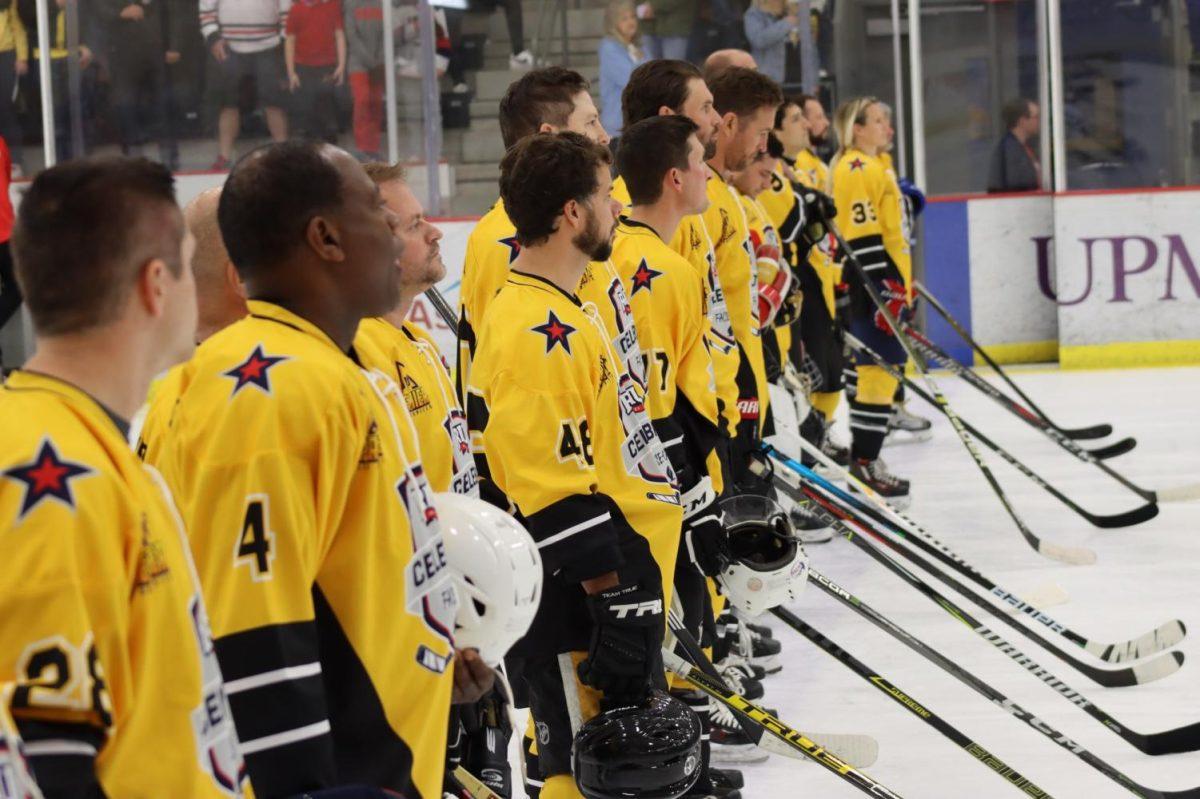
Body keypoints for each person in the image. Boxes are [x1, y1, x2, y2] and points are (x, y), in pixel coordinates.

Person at [143, 141, 482, 797]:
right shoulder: (267, 390)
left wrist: (438, 662)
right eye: (373, 214)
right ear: (325, 237)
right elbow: (253, 628)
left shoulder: (330, 367)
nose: (393, 235)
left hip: (385, 761)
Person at [0, 157, 247, 797]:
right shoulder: (52, 476)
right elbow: (48, 755)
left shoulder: (90, 446)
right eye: (190, 265)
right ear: (155, 285)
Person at [467, 130, 685, 799]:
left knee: (615, 765)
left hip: (600, 574)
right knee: (576, 763)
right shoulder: (536, 331)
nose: (617, 205)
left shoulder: (565, 307)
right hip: (569, 597)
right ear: (571, 213)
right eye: (604, 193)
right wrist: (614, 597)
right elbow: (548, 491)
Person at [455, 66, 608, 402]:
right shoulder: (507, 238)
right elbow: (506, 384)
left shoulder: (579, 219)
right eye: (590, 122)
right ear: (549, 135)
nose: (604, 135)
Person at [702, 66, 782, 493]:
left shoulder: (727, 195)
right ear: (729, 123)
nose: (765, 146)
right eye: (761, 132)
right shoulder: (701, 202)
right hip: (724, 400)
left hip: (744, 388)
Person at [830, 96, 912, 499]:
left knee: (883, 374)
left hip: (886, 285)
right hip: (873, 288)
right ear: (856, 128)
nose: (887, 127)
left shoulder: (879, 165)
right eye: (878, 120)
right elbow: (861, 240)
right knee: (875, 376)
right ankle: (865, 464)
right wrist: (883, 291)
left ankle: (867, 461)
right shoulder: (855, 168)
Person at [761, 94, 849, 467]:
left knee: (828, 372)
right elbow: (785, 229)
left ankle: (817, 438)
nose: (806, 125)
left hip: (808, 280)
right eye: (796, 118)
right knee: (805, 378)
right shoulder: (767, 173)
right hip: (787, 286)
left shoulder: (798, 169)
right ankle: (806, 448)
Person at [200, 0, 290, 169]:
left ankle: (284, 153)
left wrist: (284, 41)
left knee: (274, 103)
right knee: (228, 104)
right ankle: (224, 156)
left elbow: (287, 9)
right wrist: (213, 37)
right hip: (228, 47)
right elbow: (206, 9)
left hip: (270, 46)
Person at [99, 0, 185, 169]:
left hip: (158, 52)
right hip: (122, 52)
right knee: (126, 108)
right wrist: (118, 13)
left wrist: (175, 45)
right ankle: (132, 161)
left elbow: (175, 13)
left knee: (163, 107)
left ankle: (170, 159)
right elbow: (95, 9)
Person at [285, 0, 346, 143]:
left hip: (328, 65)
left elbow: (339, 35)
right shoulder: (296, 9)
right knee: (307, 108)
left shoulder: (332, 6)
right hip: (303, 66)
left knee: (326, 106)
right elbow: (290, 40)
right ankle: (310, 148)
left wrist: (341, 65)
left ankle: (329, 146)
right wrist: (291, 72)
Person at [598, 0, 644, 136]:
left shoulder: (640, 45)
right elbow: (630, 79)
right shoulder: (609, 47)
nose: (631, 22)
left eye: (633, 17)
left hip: (639, 121)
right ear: (613, 23)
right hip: (618, 124)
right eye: (624, 19)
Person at [987, 97, 1041, 193]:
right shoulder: (1009, 149)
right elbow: (1016, 184)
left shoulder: (1025, 147)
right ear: (1022, 121)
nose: (1040, 121)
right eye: (1037, 117)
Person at [742, 0, 799, 84]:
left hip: (794, 73)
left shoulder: (789, 12)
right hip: (767, 76)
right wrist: (786, 24)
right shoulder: (754, 14)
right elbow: (759, 40)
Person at [0, 4, 26, 173]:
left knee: (6, 108)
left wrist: (22, 57)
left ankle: (14, 161)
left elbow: (17, 27)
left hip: (5, 55)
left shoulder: (7, 2)